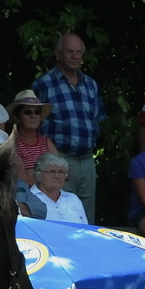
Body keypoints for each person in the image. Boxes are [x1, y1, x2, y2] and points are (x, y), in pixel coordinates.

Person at [34, 32, 107, 221]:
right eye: (69, 52)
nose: (75, 56)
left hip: (87, 160)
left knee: (85, 217)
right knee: (60, 215)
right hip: (58, 160)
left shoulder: (91, 84)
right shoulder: (44, 84)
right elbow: (34, 125)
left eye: (78, 52)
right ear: (58, 54)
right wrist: (55, 159)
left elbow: (97, 119)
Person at [7, 90, 59, 187]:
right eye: (27, 112)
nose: (33, 116)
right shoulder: (12, 144)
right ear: (17, 117)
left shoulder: (46, 142)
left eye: (37, 112)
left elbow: (62, 171)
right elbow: (21, 177)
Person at [24, 153, 87, 224]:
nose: (57, 176)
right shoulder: (27, 199)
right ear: (38, 175)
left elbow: (85, 229)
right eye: (52, 171)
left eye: (61, 172)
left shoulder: (73, 199)